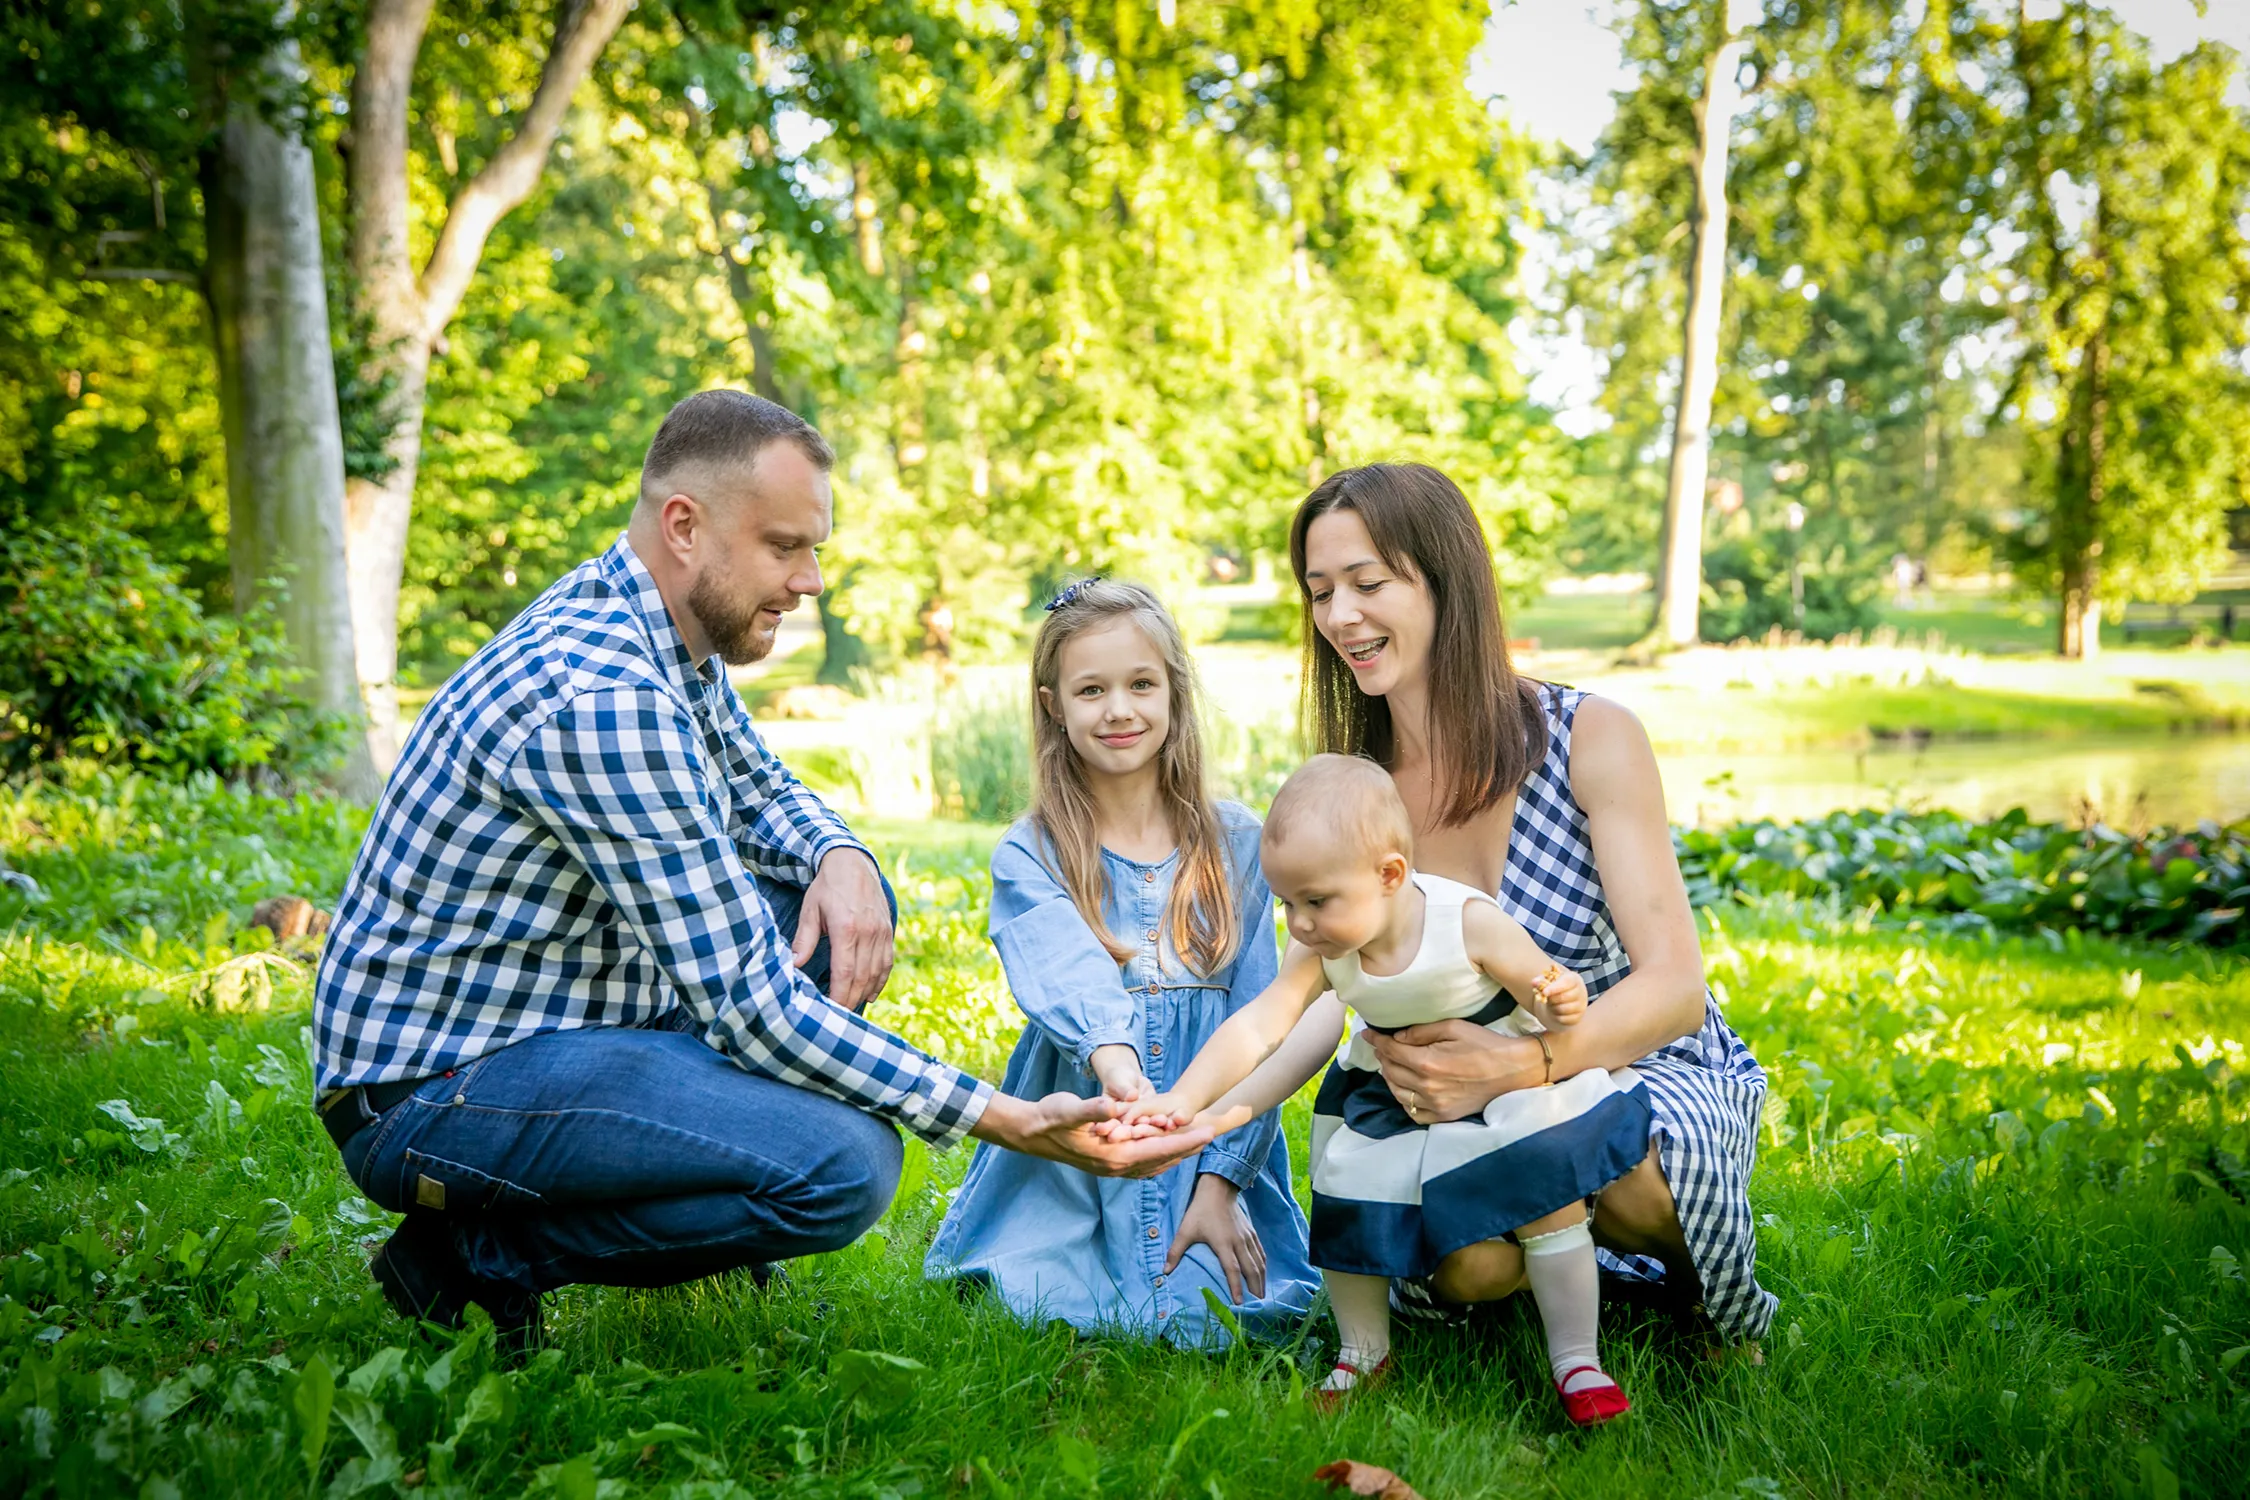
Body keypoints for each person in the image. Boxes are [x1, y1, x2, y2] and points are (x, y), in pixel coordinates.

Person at [310, 391, 1213, 1350]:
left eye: (812, 548)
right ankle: (470, 1258)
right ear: (684, 526)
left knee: (835, 905)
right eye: (785, 547)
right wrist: (1008, 1117)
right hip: (432, 1090)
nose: (810, 580)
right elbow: (752, 1008)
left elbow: (762, 791)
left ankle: (699, 1158)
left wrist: (842, 854)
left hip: (559, 1018)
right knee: (843, 1164)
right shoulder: (604, 695)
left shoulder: (663, 633)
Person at [1239, 462, 1778, 1358]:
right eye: (1321, 591)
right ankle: (1568, 1269)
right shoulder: (1362, 794)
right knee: (1468, 1264)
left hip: (1634, 1052)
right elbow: (1321, 992)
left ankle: (1696, 1294)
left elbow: (1676, 989)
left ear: (1446, 581)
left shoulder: (1589, 735)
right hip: (1453, 1091)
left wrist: (1522, 1065)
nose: (1340, 617)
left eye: (1369, 583)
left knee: (1632, 1174)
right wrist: (1212, 1124)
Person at [1116, 756, 1647, 1424]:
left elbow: (1544, 990)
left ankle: (1577, 1359)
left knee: (1547, 1197)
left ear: (1390, 875)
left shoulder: (1466, 922)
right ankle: (1363, 1352)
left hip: (1498, 1081)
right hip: (1394, 1090)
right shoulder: (1324, 948)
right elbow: (1259, 1027)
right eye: (1287, 904)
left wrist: (1559, 998)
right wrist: (1186, 1101)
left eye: (1316, 902)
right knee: (1349, 1191)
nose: (1299, 924)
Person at [924, 580, 1318, 1345]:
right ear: (1053, 705)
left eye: (1141, 684)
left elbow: (1263, 1023)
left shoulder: (1238, 841)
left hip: (1205, 1140)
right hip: (1088, 1131)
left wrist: (1222, 1178)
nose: (1118, 710)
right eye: (1091, 690)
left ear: (1174, 691)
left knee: (1222, 1312)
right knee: (1044, 1297)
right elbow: (1064, 967)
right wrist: (1118, 1069)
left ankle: (1212, 1205)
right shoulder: (1032, 851)